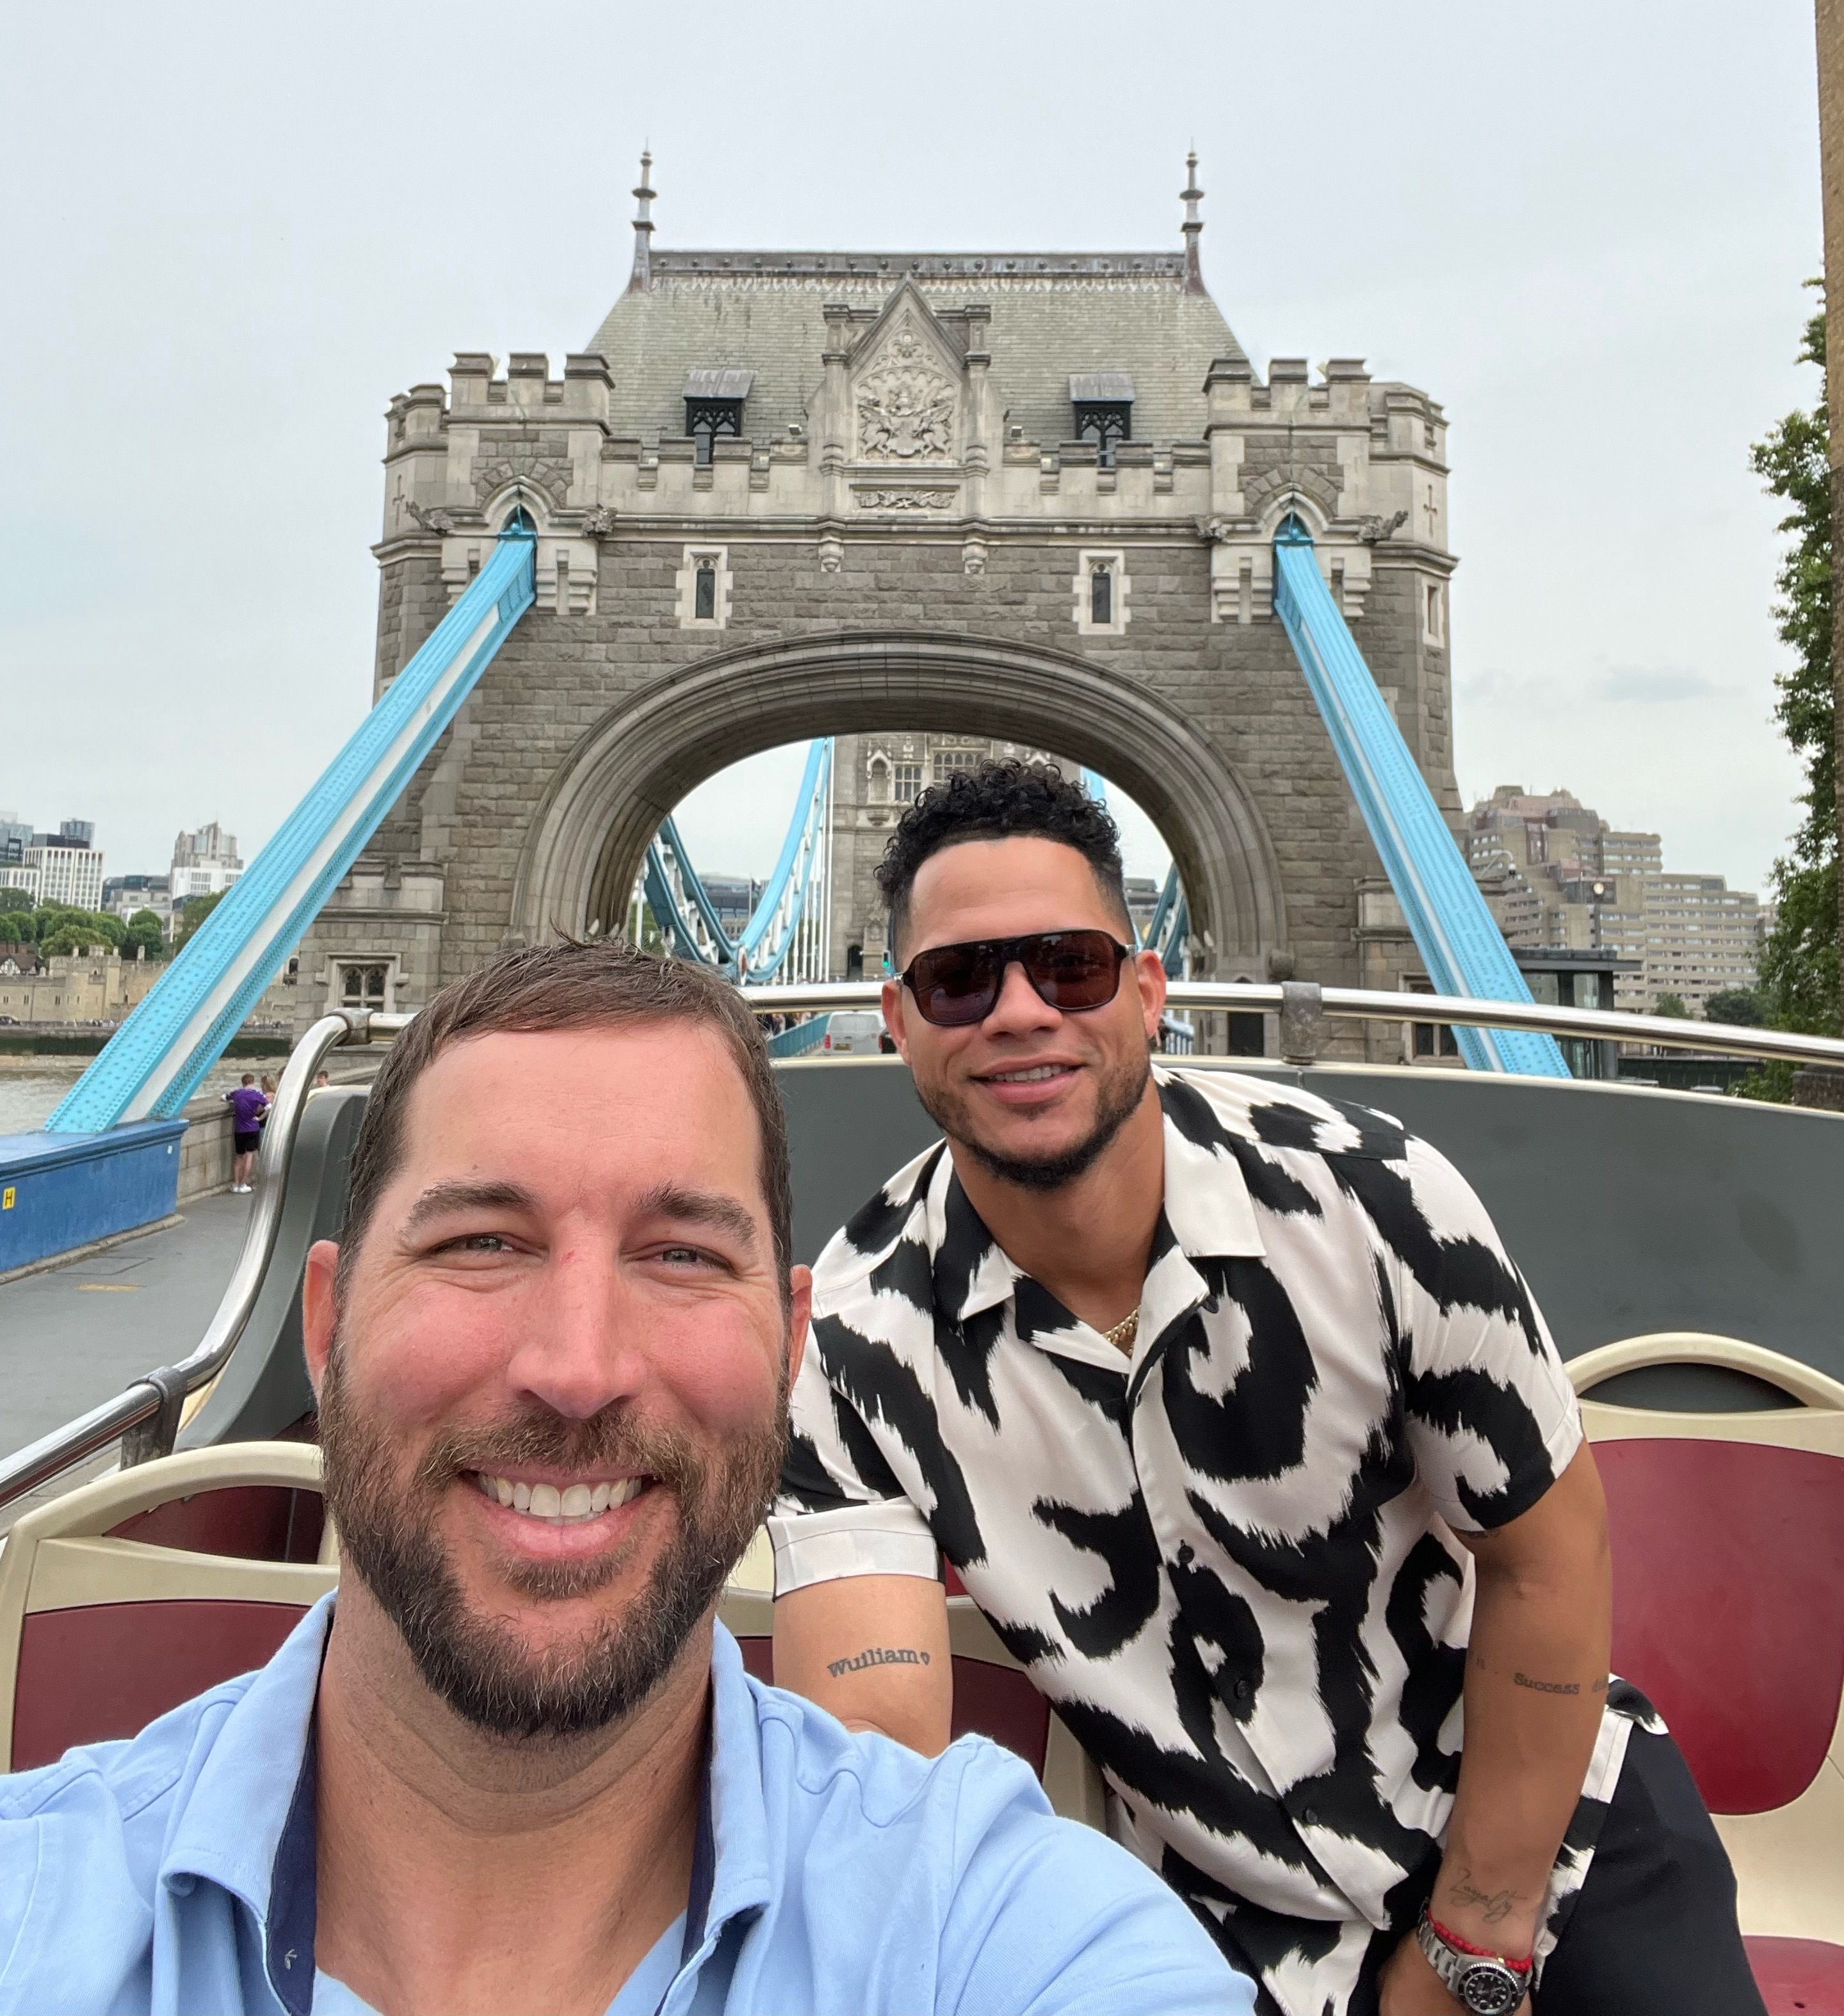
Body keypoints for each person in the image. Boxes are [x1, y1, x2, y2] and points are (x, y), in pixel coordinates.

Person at [0, 940, 1247, 2016]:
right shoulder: (32, 1907)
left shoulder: (1006, 1936)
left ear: (789, 1351)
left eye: (681, 1254)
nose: (578, 1369)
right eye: (483, 1242)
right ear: (326, 1328)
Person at [770, 763, 1763, 2016]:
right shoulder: (850, 1339)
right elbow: (870, 1736)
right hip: (1219, 1928)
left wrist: (1474, 1940)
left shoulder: (1374, 1199)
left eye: (1070, 967)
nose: (1020, 1013)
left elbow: (1550, 1553)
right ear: (898, 1019)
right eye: (961, 979)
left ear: (1147, 990)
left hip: (1547, 1820)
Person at [223, 1068, 268, 1193]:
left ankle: (236, 1184)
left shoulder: (237, 1093)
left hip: (240, 1129)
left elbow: (225, 1097)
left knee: (239, 1157)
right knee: (249, 1155)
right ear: (253, 1082)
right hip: (253, 1128)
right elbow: (269, 1106)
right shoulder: (257, 1094)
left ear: (243, 1083)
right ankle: (243, 1184)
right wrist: (260, 1118)